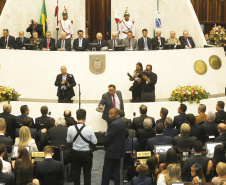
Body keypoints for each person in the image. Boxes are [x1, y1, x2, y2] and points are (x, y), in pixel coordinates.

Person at [67, 109, 97, 185]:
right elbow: (95, 142)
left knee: (76, 174)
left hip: (75, 153)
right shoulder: (89, 129)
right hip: (86, 154)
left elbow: (68, 141)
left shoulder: (70, 128)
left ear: (76, 117)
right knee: (87, 174)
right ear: (85, 117)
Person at [101, 108, 126, 185]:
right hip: (119, 150)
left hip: (111, 151)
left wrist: (105, 145)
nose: (109, 115)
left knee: (106, 172)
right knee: (116, 171)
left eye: (111, 114)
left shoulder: (114, 124)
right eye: (109, 114)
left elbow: (109, 138)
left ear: (116, 114)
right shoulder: (122, 121)